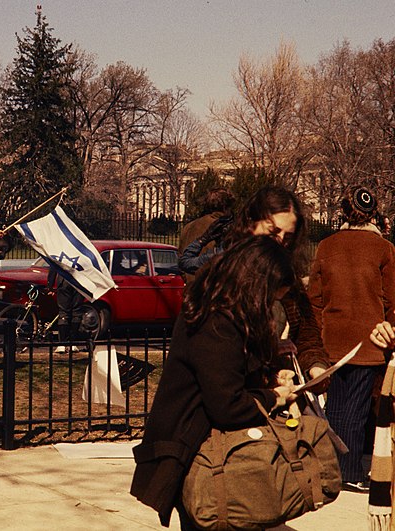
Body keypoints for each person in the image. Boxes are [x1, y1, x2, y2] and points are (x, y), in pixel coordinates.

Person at [130, 236, 299, 529]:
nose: (270, 306)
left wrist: (270, 374)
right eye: (271, 298)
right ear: (257, 287)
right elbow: (227, 404)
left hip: (208, 452)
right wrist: (275, 397)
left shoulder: (224, 311)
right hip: (196, 455)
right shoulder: (217, 321)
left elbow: (230, 374)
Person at [179, 186, 330, 385]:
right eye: (272, 231)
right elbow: (217, 355)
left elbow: (306, 334)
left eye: (289, 236)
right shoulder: (224, 277)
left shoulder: (287, 276)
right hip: (237, 398)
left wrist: (316, 367)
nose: (280, 242)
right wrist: (268, 352)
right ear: (251, 225)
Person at [308, 186, 395, 492]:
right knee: (357, 408)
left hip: (333, 338)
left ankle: (330, 468)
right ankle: (348, 471)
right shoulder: (383, 248)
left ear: (343, 212)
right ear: (374, 213)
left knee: (336, 407)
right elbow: (391, 300)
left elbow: (315, 300)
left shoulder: (326, 246)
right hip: (370, 339)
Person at [178, 186, 234, 283]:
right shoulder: (224, 227)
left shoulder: (189, 227)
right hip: (213, 288)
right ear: (227, 206)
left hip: (192, 288)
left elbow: (181, 259)